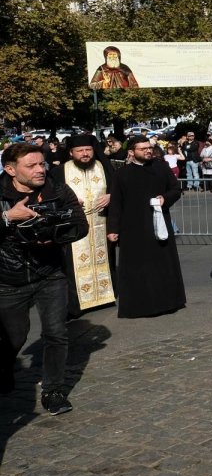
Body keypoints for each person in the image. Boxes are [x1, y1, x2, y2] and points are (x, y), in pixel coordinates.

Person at [0, 143, 88, 413]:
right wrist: (6, 217)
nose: (40, 170)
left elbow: (80, 225)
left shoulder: (56, 189)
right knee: (14, 337)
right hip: (8, 278)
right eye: (32, 165)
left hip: (51, 273)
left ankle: (54, 391)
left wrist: (52, 232)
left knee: (56, 333)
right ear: (10, 169)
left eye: (42, 164)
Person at [106, 135, 187, 318]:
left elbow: (175, 189)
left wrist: (165, 199)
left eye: (149, 147)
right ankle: (139, 306)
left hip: (159, 224)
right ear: (131, 152)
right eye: (142, 149)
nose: (148, 151)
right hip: (132, 228)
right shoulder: (121, 174)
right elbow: (116, 203)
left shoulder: (161, 167)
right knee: (137, 268)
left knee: (162, 265)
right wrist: (113, 229)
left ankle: (168, 302)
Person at [49, 134, 118, 315]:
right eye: (80, 151)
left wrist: (111, 196)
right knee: (73, 266)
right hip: (74, 227)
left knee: (106, 258)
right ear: (71, 153)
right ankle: (78, 303)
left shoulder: (104, 167)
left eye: (88, 150)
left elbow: (118, 188)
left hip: (102, 224)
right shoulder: (60, 171)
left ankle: (105, 297)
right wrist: (69, 201)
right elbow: (51, 195)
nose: (85, 154)